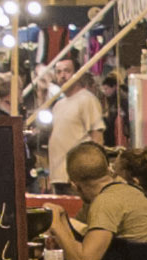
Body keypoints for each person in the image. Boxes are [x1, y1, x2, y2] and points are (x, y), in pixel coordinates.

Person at [46, 57, 106, 192]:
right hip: (59, 176)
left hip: (78, 177)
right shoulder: (58, 105)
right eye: (59, 72)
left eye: (67, 71)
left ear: (77, 74)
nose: (62, 75)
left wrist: (93, 172)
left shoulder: (87, 99)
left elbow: (97, 137)